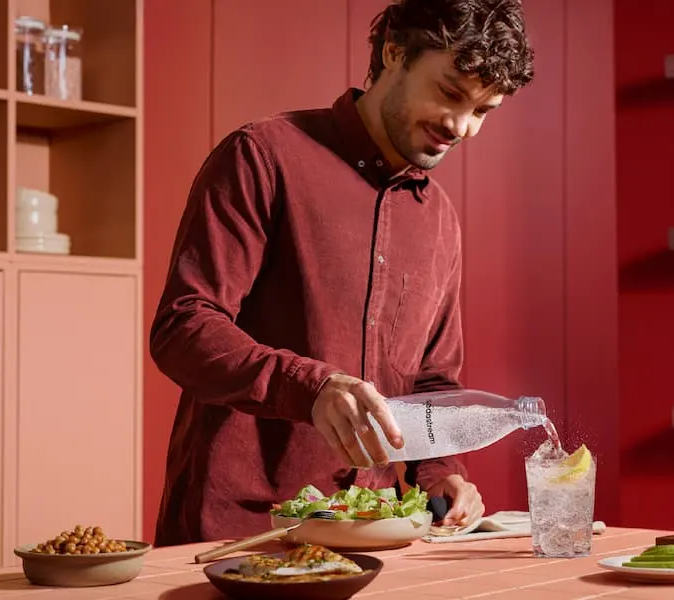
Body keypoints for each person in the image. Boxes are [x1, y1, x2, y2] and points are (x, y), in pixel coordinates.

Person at [148, 0, 536, 545]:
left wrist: (439, 472)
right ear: (394, 53)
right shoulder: (263, 157)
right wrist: (313, 388)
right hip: (237, 535)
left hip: (375, 536)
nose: (460, 126)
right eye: (449, 93)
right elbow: (184, 327)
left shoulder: (439, 217)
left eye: (483, 111)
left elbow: (430, 381)